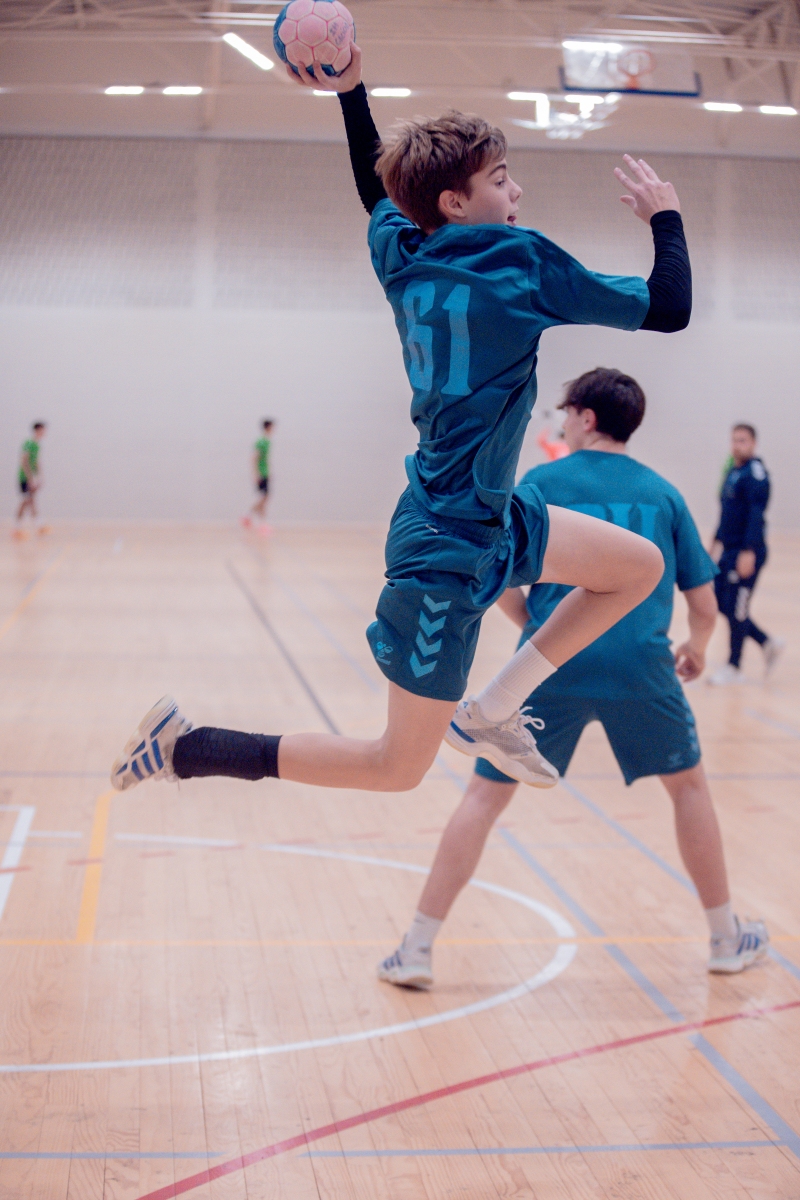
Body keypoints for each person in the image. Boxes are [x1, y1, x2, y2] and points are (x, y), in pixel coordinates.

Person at [109, 48, 690, 810]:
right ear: (455, 202)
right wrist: (665, 216)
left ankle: (491, 710)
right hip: (445, 553)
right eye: (500, 178)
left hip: (489, 516)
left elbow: (372, 188)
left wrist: (350, 92)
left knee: (639, 566)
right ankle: (187, 746)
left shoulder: (403, 254)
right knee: (394, 766)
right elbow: (669, 306)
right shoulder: (517, 263)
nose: (516, 189)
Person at [378, 369, 769, 990]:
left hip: (547, 667)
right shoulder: (664, 494)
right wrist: (696, 649)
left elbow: (494, 574)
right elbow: (703, 603)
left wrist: (536, 626)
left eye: (565, 413)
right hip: (642, 667)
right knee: (689, 790)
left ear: (586, 418)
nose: (560, 423)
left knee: (483, 799)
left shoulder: (541, 483)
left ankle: (417, 949)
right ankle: (726, 938)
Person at [708, 424, 782, 685]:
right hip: (728, 551)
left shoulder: (755, 475)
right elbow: (727, 514)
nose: (737, 445)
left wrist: (748, 551)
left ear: (753, 443)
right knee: (719, 602)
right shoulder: (733, 472)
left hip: (746, 551)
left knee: (737, 608)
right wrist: (714, 545)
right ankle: (766, 642)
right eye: (734, 440)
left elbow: (755, 515)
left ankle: (734, 666)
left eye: (742, 440)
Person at [13, 422, 48, 541]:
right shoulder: (29, 443)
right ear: (37, 430)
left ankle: (39, 526)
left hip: (31, 478)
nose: (44, 433)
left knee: (31, 501)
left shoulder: (37, 445)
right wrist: (30, 479)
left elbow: (36, 462)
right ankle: (16, 529)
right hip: (24, 478)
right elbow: (24, 461)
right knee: (25, 501)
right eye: (42, 430)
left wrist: (39, 477)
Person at [241, 419, 274, 535]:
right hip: (261, 474)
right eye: (272, 427)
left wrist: (269, 472)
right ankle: (259, 522)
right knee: (264, 498)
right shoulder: (261, 442)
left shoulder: (267, 441)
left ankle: (252, 518)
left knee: (264, 498)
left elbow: (265, 459)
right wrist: (256, 474)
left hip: (265, 473)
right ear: (268, 427)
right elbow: (254, 458)